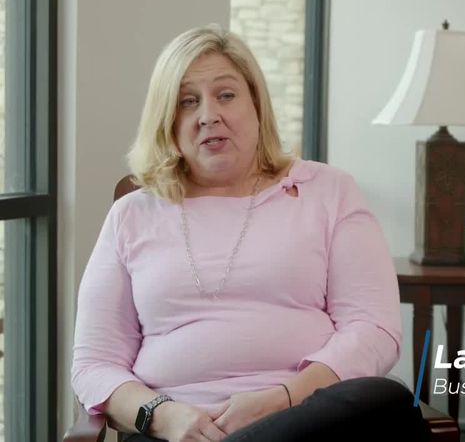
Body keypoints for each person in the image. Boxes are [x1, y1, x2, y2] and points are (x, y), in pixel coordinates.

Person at [71, 24, 428, 442]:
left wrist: (281, 399)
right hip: (175, 432)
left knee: (386, 400)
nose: (209, 115)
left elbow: (373, 328)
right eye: (188, 101)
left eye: (226, 95)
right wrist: (166, 417)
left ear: (256, 105)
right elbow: (95, 364)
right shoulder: (131, 215)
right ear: (168, 121)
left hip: (310, 418)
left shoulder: (329, 192)